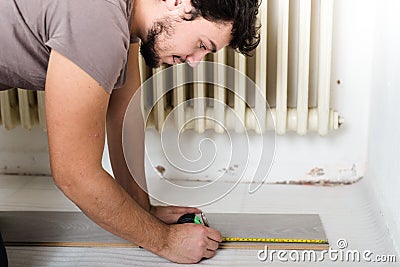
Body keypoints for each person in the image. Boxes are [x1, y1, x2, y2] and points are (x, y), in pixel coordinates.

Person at [0, 0, 260, 263]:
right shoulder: (99, 21)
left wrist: (142, 210)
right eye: (202, 45)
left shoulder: (124, 18)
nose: (194, 62)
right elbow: (74, 174)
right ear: (178, 2)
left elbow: (124, 116)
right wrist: (165, 241)